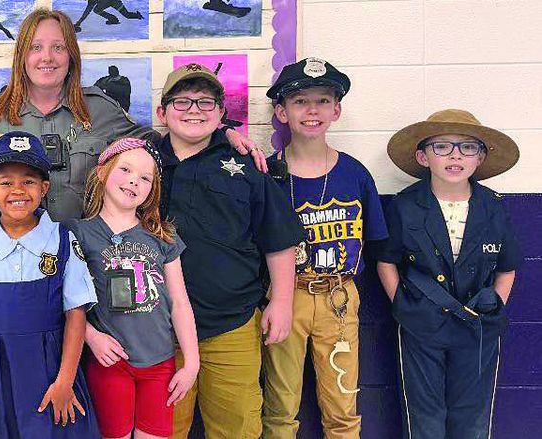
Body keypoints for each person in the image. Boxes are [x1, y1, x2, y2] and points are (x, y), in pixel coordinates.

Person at [0, 8, 263, 247]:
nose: (48, 57)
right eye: (37, 47)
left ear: (71, 56)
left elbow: (162, 144)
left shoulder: (102, 112)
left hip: (92, 262)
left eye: (58, 47)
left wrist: (219, 134)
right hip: (15, 266)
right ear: (22, 56)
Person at [149, 64, 304, 439]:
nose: (194, 110)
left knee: (237, 428)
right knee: (163, 429)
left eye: (206, 102)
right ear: (162, 112)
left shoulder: (249, 167)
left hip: (231, 324)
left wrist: (281, 302)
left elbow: (277, 238)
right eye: (182, 101)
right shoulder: (140, 163)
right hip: (156, 328)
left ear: (221, 113)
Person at [261, 58, 388, 439]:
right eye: (300, 101)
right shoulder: (267, 175)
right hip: (287, 296)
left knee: (343, 407)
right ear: (282, 112)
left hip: (339, 296)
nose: (311, 110)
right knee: (281, 407)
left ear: (337, 109)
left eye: (322, 100)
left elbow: (377, 242)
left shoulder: (355, 173)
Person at [0, 131, 99, 438]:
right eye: (6, 182)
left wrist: (65, 381)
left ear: (44, 188)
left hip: (51, 372)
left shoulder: (62, 240)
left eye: (28, 181)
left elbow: (76, 315)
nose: (18, 190)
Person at [378, 109, 521, 439]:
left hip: (477, 328)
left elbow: (507, 268)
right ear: (423, 156)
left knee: (472, 416)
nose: (455, 155)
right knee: (424, 415)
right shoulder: (404, 205)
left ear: (480, 158)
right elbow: (386, 261)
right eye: (442, 146)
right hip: (422, 323)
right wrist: (403, 305)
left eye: (468, 147)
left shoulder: (493, 206)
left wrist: (489, 309)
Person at [69, 137, 200, 439]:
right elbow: (65, 301)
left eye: (145, 178)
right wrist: (91, 336)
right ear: (102, 172)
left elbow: (180, 302)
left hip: (159, 363)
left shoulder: (162, 236)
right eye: (125, 170)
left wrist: (191, 362)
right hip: (111, 362)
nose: (133, 181)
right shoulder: (78, 233)